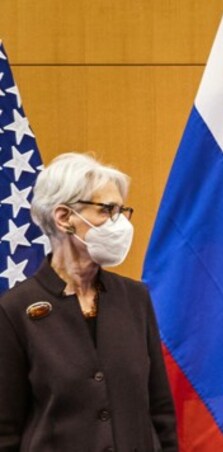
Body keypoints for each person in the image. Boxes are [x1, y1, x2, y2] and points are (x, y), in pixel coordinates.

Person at [0, 153, 177, 451]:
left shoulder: (135, 298)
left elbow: (160, 410)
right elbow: (5, 428)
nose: (118, 224)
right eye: (107, 210)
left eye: (121, 211)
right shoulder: (15, 310)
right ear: (64, 217)